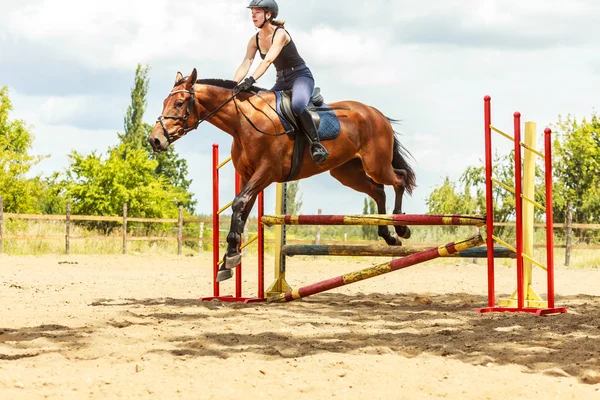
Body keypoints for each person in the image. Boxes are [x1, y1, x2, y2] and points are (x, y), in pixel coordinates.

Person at [233, 0, 329, 164]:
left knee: (297, 105)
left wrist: (251, 80)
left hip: (300, 76)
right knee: (264, 106)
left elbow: (268, 60)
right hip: (282, 80)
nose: (253, 15)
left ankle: (316, 144)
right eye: (252, 12)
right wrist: (232, 85)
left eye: (257, 12)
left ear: (268, 14)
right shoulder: (254, 39)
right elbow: (246, 62)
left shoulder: (281, 34)